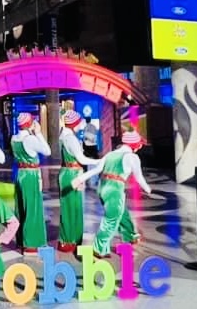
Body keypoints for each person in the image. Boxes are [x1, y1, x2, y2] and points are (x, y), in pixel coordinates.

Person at [74, 130, 152, 258]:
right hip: (115, 190)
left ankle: (129, 238)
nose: (140, 146)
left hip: (103, 187)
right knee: (111, 220)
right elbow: (139, 177)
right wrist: (148, 189)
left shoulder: (110, 154)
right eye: (139, 144)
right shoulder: (132, 157)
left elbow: (97, 170)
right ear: (135, 145)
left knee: (122, 214)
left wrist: (80, 179)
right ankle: (98, 249)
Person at [57, 110, 98, 253]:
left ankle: (71, 239)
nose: (81, 124)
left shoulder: (65, 135)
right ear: (74, 123)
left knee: (71, 207)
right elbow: (81, 159)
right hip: (72, 174)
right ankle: (69, 240)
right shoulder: (70, 138)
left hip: (69, 172)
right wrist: (99, 161)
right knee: (72, 207)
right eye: (78, 121)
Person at [10, 112, 50, 254]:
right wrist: (38, 133)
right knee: (32, 208)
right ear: (30, 124)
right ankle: (31, 244)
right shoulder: (30, 139)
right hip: (31, 175)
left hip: (20, 174)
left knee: (21, 207)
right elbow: (47, 151)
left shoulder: (14, 138)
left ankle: (21, 240)